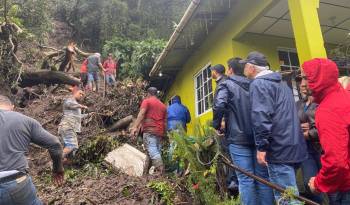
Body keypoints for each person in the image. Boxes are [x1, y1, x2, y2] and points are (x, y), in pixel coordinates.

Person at [241, 51, 307, 204]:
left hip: (278, 149)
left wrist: (261, 147)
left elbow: (261, 117)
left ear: (251, 67)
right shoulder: (281, 83)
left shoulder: (259, 84)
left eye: (245, 65)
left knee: (287, 198)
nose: (243, 68)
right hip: (294, 145)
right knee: (292, 193)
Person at [213, 59, 274, 205]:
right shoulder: (256, 84)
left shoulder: (226, 84)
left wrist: (217, 124)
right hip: (259, 138)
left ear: (230, 70)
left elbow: (219, 104)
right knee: (263, 178)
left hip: (238, 139)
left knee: (245, 179)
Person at [0, 95, 64, 205]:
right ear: (12, 107)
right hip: (16, 184)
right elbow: (55, 144)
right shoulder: (25, 120)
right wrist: (57, 169)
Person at [303, 58, 350, 205]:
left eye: (306, 78)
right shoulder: (343, 97)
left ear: (319, 79)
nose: (302, 84)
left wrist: (317, 183)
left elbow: (336, 162)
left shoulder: (328, 109)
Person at [295, 78, 323, 203]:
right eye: (301, 85)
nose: (303, 86)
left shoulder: (320, 102)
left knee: (329, 182)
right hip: (305, 149)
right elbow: (292, 122)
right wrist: (298, 126)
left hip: (321, 148)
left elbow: (324, 125)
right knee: (309, 182)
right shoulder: (298, 104)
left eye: (305, 85)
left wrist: (311, 127)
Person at [130, 87, 167, 174]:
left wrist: (135, 127)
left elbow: (142, 113)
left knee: (152, 150)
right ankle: (145, 173)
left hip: (150, 130)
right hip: (160, 132)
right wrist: (164, 133)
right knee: (153, 151)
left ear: (148, 94)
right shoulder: (163, 106)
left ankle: (161, 170)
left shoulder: (147, 101)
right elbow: (165, 121)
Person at [58, 87, 88, 163]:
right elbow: (68, 104)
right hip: (68, 126)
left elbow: (79, 117)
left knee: (70, 149)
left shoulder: (76, 105)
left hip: (69, 127)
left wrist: (89, 114)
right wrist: (80, 106)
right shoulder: (70, 100)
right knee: (72, 145)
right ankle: (56, 160)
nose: (81, 95)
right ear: (75, 93)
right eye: (80, 93)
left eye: (82, 94)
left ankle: (61, 164)